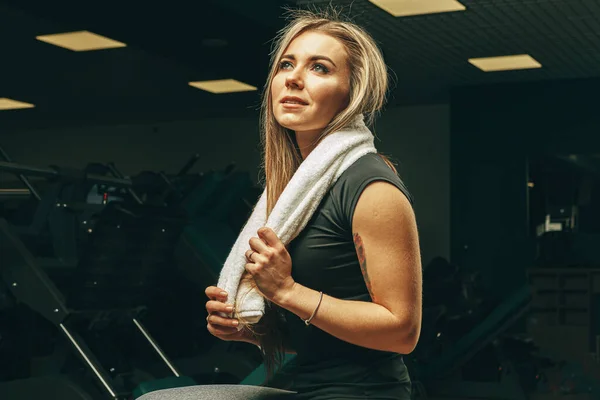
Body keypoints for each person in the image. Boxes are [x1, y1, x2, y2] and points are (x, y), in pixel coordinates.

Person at [205, 8, 422, 400]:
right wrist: (251, 331)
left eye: (320, 68)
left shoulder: (371, 187)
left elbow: (402, 332)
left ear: (350, 94)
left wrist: (287, 291)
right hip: (301, 384)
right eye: (286, 64)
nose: (293, 77)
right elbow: (324, 341)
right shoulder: (297, 190)